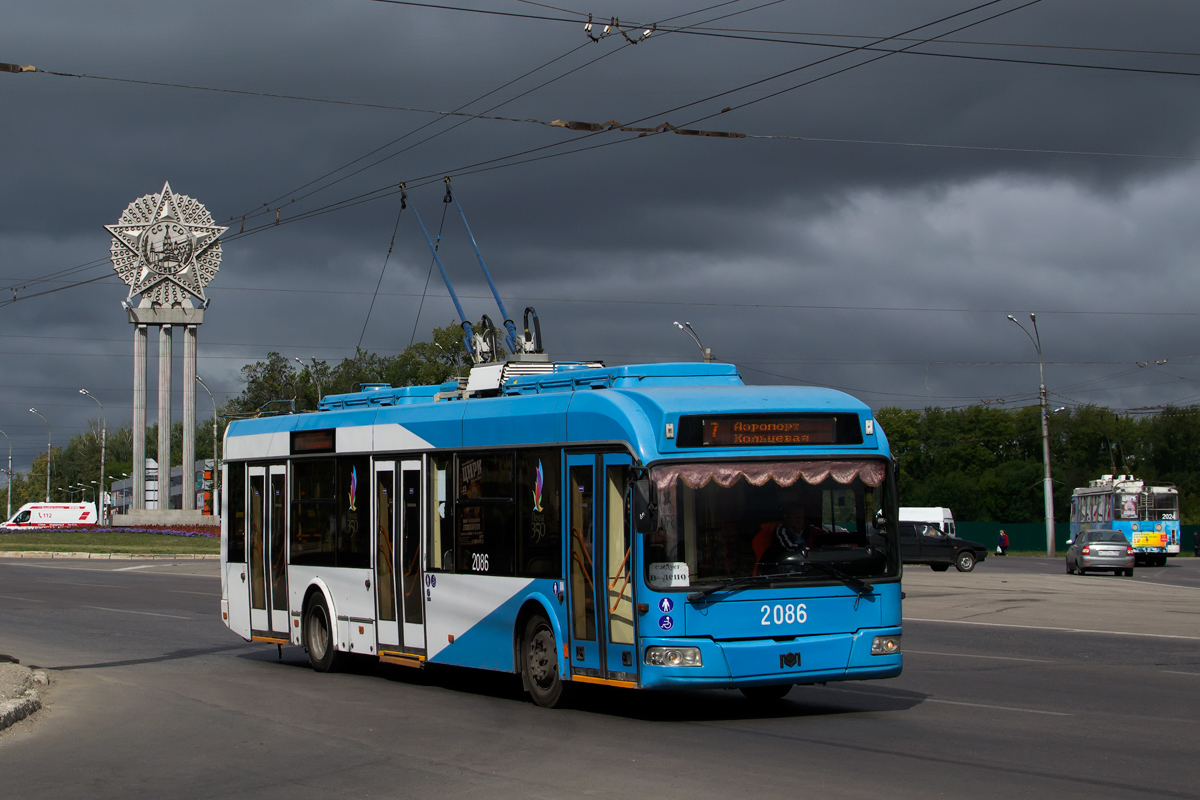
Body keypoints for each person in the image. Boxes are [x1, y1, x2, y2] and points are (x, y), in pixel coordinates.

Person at [752, 502, 809, 575]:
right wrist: (802, 550)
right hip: (781, 575)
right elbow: (789, 547)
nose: (800, 520)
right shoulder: (781, 530)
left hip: (810, 575)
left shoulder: (810, 530)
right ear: (786, 517)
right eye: (796, 516)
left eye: (802, 516)